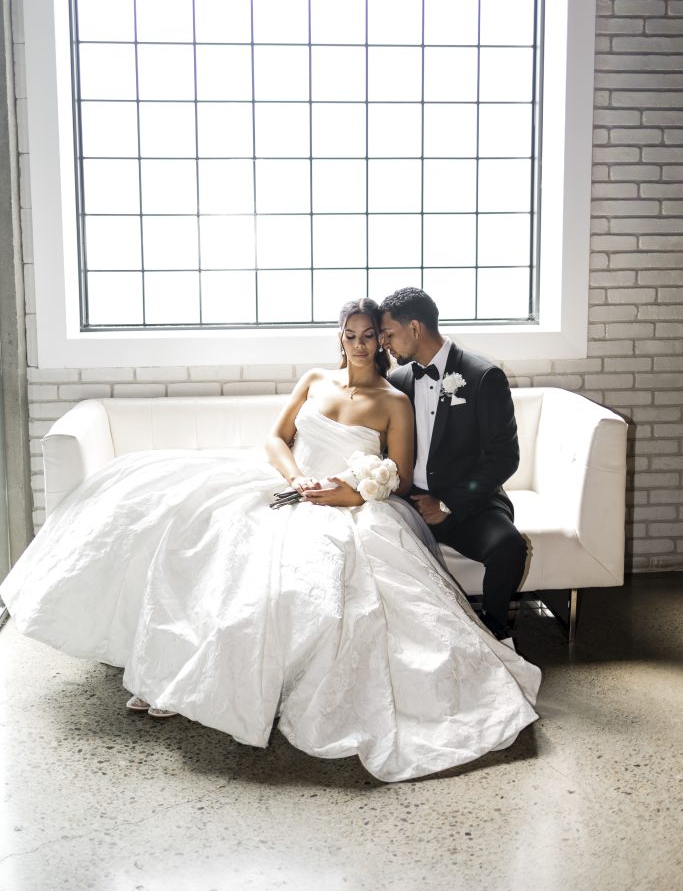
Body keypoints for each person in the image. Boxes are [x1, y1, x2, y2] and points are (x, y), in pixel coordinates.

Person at [0, 297, 539, 783]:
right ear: (340, 338)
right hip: (289, 486)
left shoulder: (394, 398)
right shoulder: (314, 380)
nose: (360, 344)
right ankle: (165, 674)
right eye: (350, 335)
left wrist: (350, 492)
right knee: (200, 540)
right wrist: (297, 480)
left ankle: (206, 685)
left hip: (348, 504)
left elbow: (396, 474)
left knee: (294, 582)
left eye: (371, 336)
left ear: (382, 340)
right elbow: (276, 440)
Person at [380, 287, 527, 646]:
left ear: (415, 327)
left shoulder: (483, 377)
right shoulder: (397, 381)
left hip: (469, 506)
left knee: (509, 546)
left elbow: (504, 457)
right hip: (409, 505)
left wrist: (448, 504)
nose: (385, 343)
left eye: (388, 334)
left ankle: (494, 634)